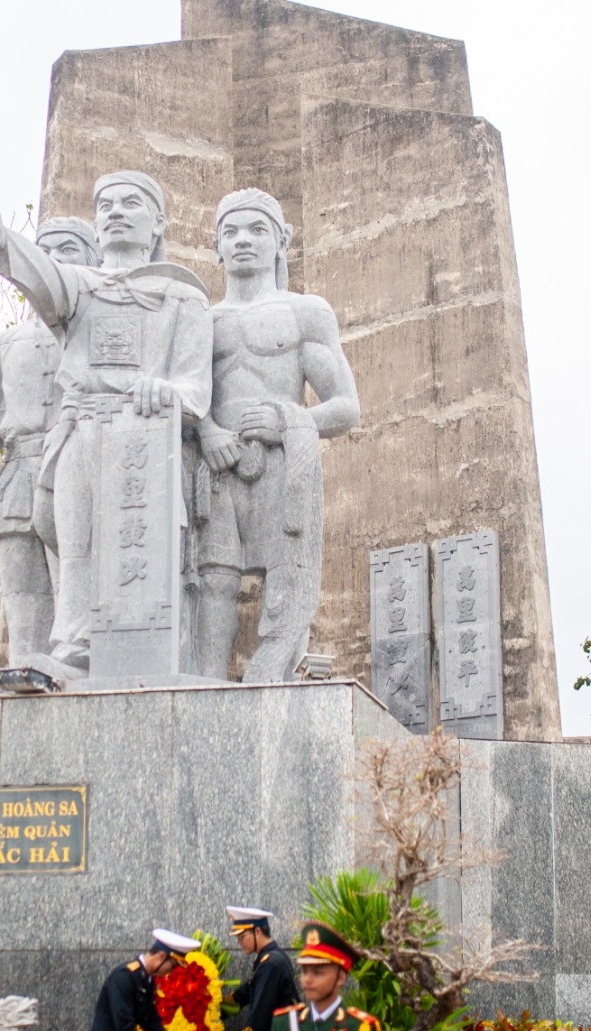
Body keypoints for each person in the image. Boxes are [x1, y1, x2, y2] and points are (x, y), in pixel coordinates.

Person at [0, 174, 213, 683]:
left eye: (131, 204)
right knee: (73, 547)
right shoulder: (81, 287)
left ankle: (149, 648)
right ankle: (73, 648)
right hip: (78, 430)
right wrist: (6, 241)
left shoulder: (182, 298)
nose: (116, 212)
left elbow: (196, 390)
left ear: (158, 223)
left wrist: (165, 393)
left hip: (142, 437)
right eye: (106, 205)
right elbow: (46, 281)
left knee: (144, 550)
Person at [190, 187, 359, 682]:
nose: (243, 240)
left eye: (257, 229)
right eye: (231, 231)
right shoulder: (201, 320)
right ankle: (204, 684)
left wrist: (286, 421)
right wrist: (207, 431)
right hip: (217, 466)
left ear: (280, 240)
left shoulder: (305, 312)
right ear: (216, 244)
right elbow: (185, 395)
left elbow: (346, 406)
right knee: (212, 581)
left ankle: (275, 679)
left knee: (287, 577)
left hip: (284, 465)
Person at [0, 216, 102, 671]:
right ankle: (28, 672)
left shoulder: (93, 334)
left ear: (91, 260)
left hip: (76, 464)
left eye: (68, 249)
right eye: (45, 248)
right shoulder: (2, 344)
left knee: (73, 580)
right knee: (23, 592)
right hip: (19, 472)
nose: (53, 258)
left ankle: (74, 667)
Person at [264, 921, 382, 1031]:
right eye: (304, 971)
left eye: (318, 973)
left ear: (340, 978)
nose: (307, 980)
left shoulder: (359, 1030)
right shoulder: (284, 1023)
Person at [81, 929, 196, 1031]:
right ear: (161, 956)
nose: (170, 972)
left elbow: (152, 1021)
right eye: (172, 966)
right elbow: (123, 1023)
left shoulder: (145, 979)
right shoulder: (123, 977)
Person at [222, 905, 299, 1031]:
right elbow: (246, 992)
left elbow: (260, 1012)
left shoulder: (271, 963)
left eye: (242, 937)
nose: (239, 943)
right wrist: (215, 1008)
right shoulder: (272, 958)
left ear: (257, 932)